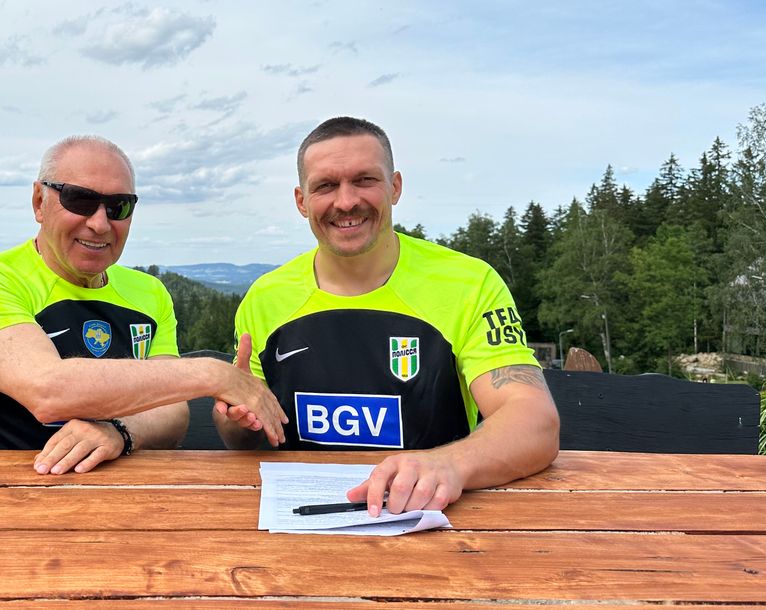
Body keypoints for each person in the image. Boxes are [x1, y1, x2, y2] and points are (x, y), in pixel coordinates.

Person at [214, 117, 559, 515]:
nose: (346, 201)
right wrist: (236, 420)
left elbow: (535, 421)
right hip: (304, 517)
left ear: (395, 187)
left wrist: (449, 465)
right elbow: (242, 439)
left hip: (433, 516)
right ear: (301, 201)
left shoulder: (469, 284)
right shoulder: (265, 298)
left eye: (365, 180)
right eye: (326, 185)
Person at [0, 135, 286, 475]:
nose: (99, 224)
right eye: (79, 200)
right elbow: (46, 390)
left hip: (122, 496)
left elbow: (172, 412)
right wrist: (212, 374)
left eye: (118, 206)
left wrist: (121, 432)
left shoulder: (149, 292)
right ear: (39, 202)